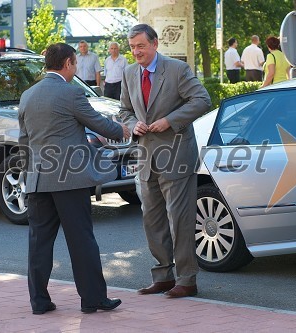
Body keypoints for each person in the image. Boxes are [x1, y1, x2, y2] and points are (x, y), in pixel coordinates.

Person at [18, 42, 130, 315]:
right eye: (75, 64)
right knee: (81, 241)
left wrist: (30, 173)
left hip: (37, 180)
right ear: (68, 63)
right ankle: (92, 299)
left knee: (39, 243)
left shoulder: (27, 96)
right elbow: (99, 123)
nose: (76, 68)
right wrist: (124, 130)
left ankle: (39, 302)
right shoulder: (72, 93)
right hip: (70, 180)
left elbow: (24, 142)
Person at [119, 24, 211, 298]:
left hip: (177, 156)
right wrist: (133, 123)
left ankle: (186, 279)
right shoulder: (128, 73)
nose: (136, 52)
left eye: (141, 46)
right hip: (146, 157)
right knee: (153, 219)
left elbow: (202, 99)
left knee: (180, 220)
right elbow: (124, 110)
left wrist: (170, 121)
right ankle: (163, 276)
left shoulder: (176, 70)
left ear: (155, 44)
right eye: (132, 47)